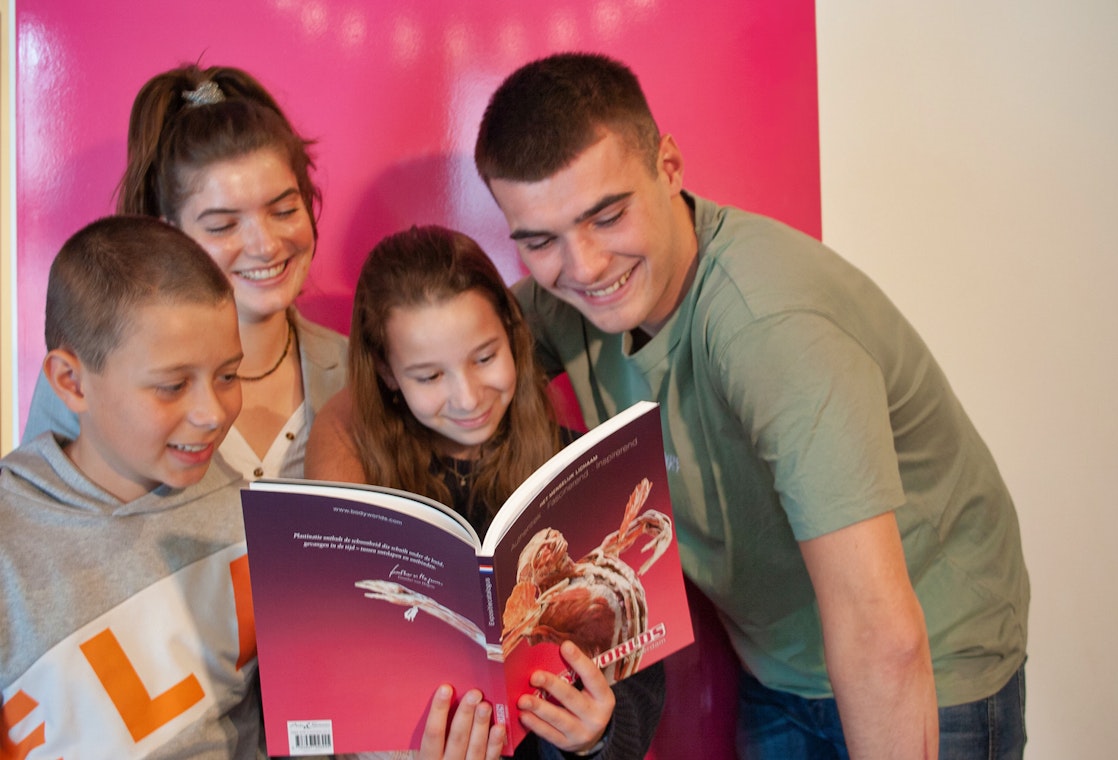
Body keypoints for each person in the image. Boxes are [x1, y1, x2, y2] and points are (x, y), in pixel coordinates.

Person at [473, 52, 1031, 759]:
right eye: (540, 242)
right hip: (781, 665)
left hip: (931, 658)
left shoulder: (768, 325)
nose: (582, 266)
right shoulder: (570, 298)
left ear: (669, 168)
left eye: (607, 216)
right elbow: (417, 362)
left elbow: (881, 632)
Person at [306, 225, 665, 759]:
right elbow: (320, 698)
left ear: (513, 333)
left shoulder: (582, 467)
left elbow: (640, 674)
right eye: (428, 376)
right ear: (386, 372)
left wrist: (600, 735)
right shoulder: (357, 488)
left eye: (484, 357)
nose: (468, 396)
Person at [0, 216, 258, 755]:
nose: (212, 413)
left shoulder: (251, 522)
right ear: (71, 382)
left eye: (228, 376)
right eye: (171, 386)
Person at [22, 63, 346, 481]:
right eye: (222, 226)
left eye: (284, 210)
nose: (265, 245)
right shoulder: (97, 378)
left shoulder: (357, 371)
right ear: (169, 232)